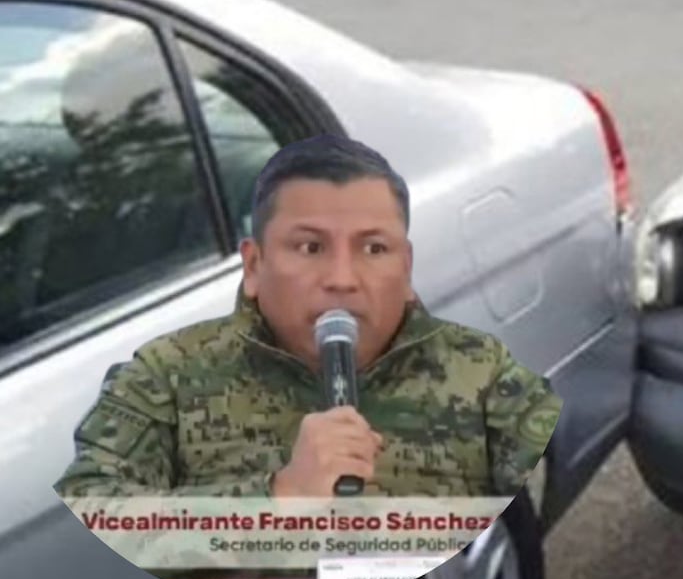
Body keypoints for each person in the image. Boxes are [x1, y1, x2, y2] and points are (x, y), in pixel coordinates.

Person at [53, 134, 561, 499]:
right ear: (255, 266)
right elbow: (97, 507)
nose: (342, 277)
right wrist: (280, 498)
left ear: (405, 269)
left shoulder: (478, 371)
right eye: (310, 246)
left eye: (373, 248)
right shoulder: (164, 379)